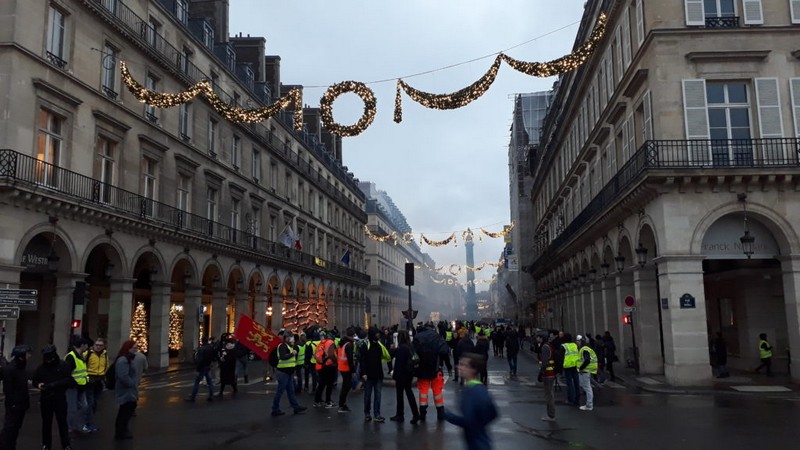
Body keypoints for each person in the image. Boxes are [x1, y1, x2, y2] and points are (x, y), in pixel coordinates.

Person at [445, 352, 499, 450]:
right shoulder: (480, 388)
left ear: (473, 369)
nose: (459, 367)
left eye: (463, 365)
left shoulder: (471, 391)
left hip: (476, 445)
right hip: (481, 441)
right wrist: (480, 425)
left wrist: (448, 415)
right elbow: (493, 413)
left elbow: (468, 420)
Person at [33, 345, 73, 450]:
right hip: (46, 398)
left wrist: (54, 385)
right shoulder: (42, 367)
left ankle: (66, 444)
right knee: (46, 423)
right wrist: (39, 385)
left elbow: (69, 380)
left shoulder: (63, 365)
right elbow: (35, 380)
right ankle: (46, 444)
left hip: (59, 397)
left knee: (62, 423)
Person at [413, 323, 453, 422]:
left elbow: (413, 353)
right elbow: (444, 351)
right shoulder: (437, 337)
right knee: (437, 391)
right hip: (435, 368)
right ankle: (440, 412)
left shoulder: (418, 337)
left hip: (422, 370)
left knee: (423, 392)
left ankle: (422, 412)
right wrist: (448, 366)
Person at [0, 345, 32, 450]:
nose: (29, 356)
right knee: (10, 429)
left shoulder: (21, 367)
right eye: (27, 354)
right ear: (21, 355)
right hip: (14, 404)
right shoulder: (11, 369)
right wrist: (13, 404)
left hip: (20, 404)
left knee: (15, 429)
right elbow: (8, 389)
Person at [272, 332, 307, 416]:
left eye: (292, 337)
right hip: (283, 372)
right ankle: (275, 409)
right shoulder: (282, 346)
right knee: (280, 391)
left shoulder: (289, 346)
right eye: (290, 337)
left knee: (291, 391)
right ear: (285, 338)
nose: (292, 339)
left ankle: (296, 407)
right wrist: (292, 354)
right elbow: (283, 357)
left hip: (289, 372)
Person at [390, 330, 420, 424]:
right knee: (409, 393)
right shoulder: (410, 346)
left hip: (401, 374)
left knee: (400, 395)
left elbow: (399, 363)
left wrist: (394, 375)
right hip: (409, 373)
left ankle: (400, 415)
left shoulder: (401, 348)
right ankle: (415, 414)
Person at [112, 340, 139, 440]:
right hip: (126, 390)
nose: (136, 349)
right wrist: (132, 384)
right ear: (129, 348)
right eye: (135, 347)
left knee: (127, 410)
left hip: (129, 390)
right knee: (125, 411)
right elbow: (123, 376)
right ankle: (120, 431)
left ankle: (123, 430)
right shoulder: (123, 360)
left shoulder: (129, 359)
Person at [360, 327, 388, 422]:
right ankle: (367, 413)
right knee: (368, 396)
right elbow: (362, 360)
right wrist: (363, 373)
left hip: (378, 374)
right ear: (373, 335)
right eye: (377, 334)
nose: (378, 335)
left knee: (378, 395)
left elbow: (386, 356)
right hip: (369, 375)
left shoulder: (379, 345)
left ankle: (377, 414)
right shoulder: (365, 346)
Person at [64, 337, 90, 434]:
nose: (87, 347)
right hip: (73, 387)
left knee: (84, 406)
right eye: (86, 345)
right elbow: (67, 373)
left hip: (81, 386)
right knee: (72, 408)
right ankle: (69, 427)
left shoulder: (81, 355)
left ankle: (78, 425)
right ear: (82, 345)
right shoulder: (71, 356)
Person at [83, 338, 107, 433]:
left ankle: (88, 421)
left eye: (100, 345)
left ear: (103, 346)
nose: (98, 347)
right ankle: (87, 423)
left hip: (99, 380)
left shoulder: (104, 355)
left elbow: (106, 366)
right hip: (90, 380)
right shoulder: (88, 354)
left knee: (95, 402)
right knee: (90, 402)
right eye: (97, 345)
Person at [186, 337, 215, 402]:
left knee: (197, 382)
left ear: (202, 341)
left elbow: (200, 360)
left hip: (202, 367)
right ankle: (211, 395)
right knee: (209, 381)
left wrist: (198, 369)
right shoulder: (211, 348)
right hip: (208, 366)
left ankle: (193, 397)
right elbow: (213, 357)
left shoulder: (201, 349)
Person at [313, 332, 338, 408]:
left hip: (322, 366)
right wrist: (336, 361)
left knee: (321, 384)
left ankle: (317, 401)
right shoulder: (330, 342)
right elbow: (331, 354)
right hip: (329, 365)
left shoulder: (321, 344)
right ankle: (328, 401)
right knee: (330, 384)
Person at [537, 332, 558, 422]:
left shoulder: (545, 347)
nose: (536, 339)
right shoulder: (549, 346)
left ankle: (551, 415)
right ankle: (550, 414)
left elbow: (545, 362)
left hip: (548, 374)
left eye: (538, 337)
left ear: (541, 338)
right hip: (551, 372)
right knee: (550, 394)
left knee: (549, 395)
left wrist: (541, 373)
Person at [337, 328, 356, 412]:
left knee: (346, 386)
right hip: (346, 368)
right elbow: (350, 359)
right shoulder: (348, 345)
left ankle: (342, 403)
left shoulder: (342, 342)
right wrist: (353, 371)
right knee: (346, 386)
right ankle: (342, 405)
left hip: (341, 367)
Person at [576, 335, 597, 411]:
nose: (577, 342)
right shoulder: (585, 348)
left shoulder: (584, 349)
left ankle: (589, 405)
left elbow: (587, 360)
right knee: (586, 387)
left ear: (581, 341)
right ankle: (589, 404)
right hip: (585, 370)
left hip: (585, 370)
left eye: (578, 341)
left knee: (587, 387)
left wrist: (581, 368)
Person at [561, 333, 580, 407]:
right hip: (575, 365)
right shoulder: (575, 345)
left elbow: (561, 357)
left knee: (569, 383)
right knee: (576, 383)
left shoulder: (563, 346)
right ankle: (577, 399)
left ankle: (570, 399)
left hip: (567, 366)